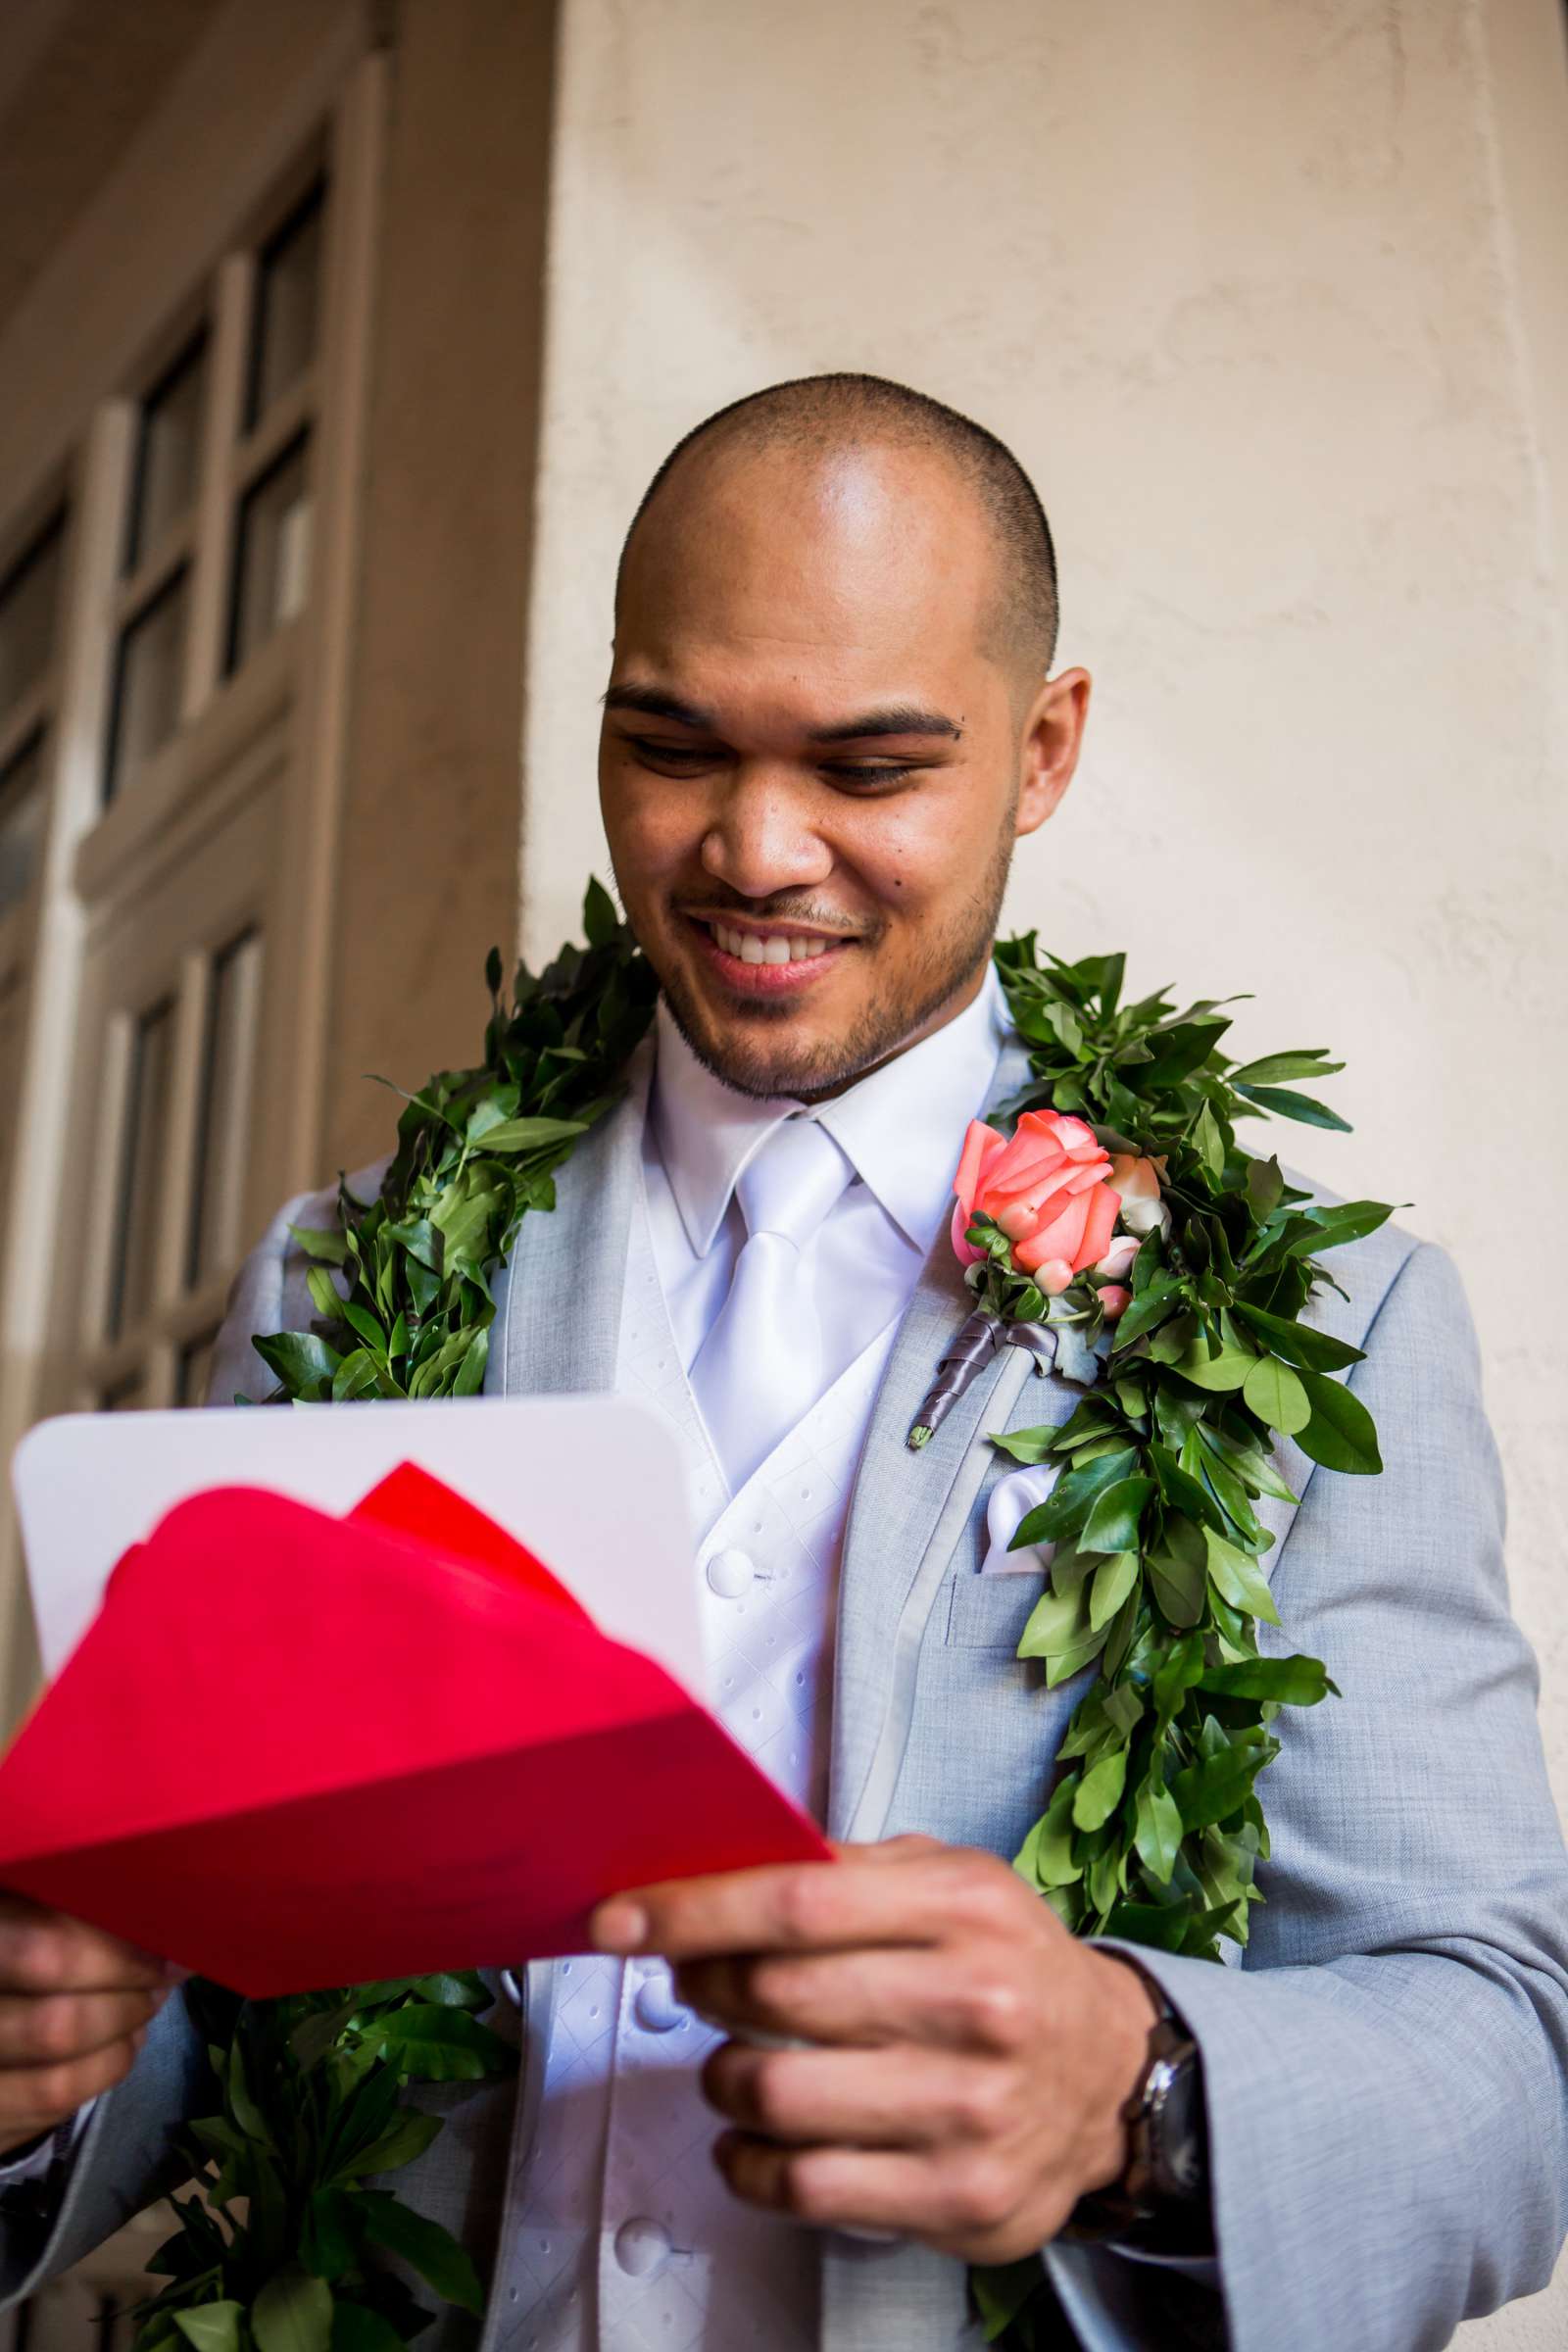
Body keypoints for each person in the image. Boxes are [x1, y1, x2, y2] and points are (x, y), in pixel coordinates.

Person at [2, 374, 1565, 2352]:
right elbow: (199, 2006)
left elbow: (1499, 2068)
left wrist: (1135, 2085)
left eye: (867, 766)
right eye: (672, 747)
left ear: (1042, 748)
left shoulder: (1316, 1326)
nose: (753, 850)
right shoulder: (339, 1281)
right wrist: (42, 2079)